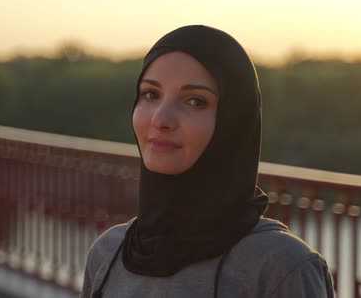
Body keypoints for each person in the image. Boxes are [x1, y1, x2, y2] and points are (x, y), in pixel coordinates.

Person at [80, 25, 334, 298]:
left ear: (232, 121)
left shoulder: (280, 268)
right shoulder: (108, 254)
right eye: (151, 94)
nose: (161, 119)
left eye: (195, 101)